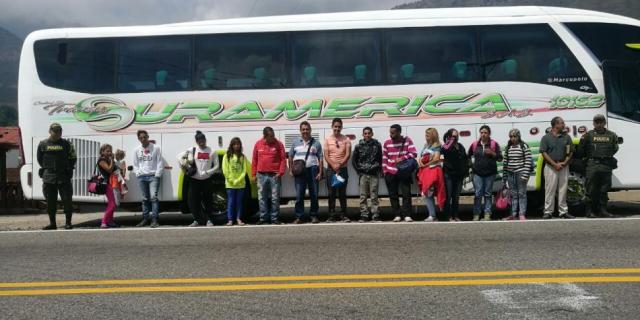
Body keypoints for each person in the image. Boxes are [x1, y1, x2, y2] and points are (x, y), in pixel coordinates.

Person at [37, 123, 77, 230]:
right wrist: (47, 168)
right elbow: (40, 159)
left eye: (60, 131)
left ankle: (68, 223)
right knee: (50, 202)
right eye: (55, 131)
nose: (58, 133)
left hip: (63, 176)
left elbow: (73, 157)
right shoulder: (43, 144)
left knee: (67, 200)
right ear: (50, 131)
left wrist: (69, 167)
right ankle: (52, 224)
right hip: (49, 176)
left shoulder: (67, 144)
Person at [578, 114, 619, 218]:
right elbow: (581, 150)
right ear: (593, 123)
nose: (599, 124)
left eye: (601, 122)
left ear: (604, 123)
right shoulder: (588, 135)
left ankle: (603, 210)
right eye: (597, 122)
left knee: (604, 189)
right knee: (590, 189)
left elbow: (615, 148)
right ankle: (589, 211)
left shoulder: (612, 135)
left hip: (606, 165)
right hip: (593, 165)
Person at [177, 131, 219, 227]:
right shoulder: (192, 150)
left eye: (203, 140)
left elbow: (217, 166)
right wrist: (185, 167)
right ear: (196, 141)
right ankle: (196, 220)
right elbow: (179, 157)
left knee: (208, 201)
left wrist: (208, 172)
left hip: (207, 180)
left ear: (205, 140)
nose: (201, 142)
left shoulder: (212, 151)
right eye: (199, 140)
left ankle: (209, 220)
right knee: (193, 201)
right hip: (194, 180)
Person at [540, 116, 575, 219]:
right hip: (551, 167)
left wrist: (564, 163)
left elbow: (570, 152)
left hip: (563, 166)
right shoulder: (546, 137)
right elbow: (544, 152)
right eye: (562, 123)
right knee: (550, 189)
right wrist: (554, 164)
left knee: (563, 189)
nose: (564, 125)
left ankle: (563, 212)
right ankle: (548, 211)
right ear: (555, 125)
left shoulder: (566, 137)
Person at [289, 121, 324, 224]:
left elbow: (321, 158)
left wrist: (320, 172)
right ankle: (299, 217)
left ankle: (314, 216)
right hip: (300, 172)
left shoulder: (316, 143)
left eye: (307, 129)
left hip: (313, 170)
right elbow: (290, 156)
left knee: (314, 194)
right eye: (303, 129)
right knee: (299, 195)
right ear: (300, 130)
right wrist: (290, 170)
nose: (305, 131)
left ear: (310, 130)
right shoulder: (295, 142)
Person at [382, 124, 417, 222]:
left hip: (403, 171)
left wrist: (402, 158)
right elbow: (384, 157)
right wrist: (385, 171)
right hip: (390, 171)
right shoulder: (387, 143)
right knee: (393, 194)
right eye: (390, 132)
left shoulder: (407, 140)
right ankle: (397, 214)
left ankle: (407, 215)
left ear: (399, 132)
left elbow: (414, 153)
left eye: (393, 133)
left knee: (406, 194)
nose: (391, 134)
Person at [252, 127, 287, 225]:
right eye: (271, 136)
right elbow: (254, 159)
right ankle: (263, 218)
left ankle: (274, 218)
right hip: (261, 175)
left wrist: (281, 172)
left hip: (274, 175)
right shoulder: (258, 144)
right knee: (261, 198)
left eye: (273, 135)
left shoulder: (278, 144)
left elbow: (283, 159)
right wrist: (254, 174)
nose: (273, 138)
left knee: (275, 198)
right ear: (265, 136)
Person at [468, 125, 502, 221]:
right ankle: (476, 214)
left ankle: (487, 213)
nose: (483, 134)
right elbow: (468, 156)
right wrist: (471, 166)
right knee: (478, 194)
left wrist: (492, 153)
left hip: (490, 173)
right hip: (477, 173)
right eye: (482, 132)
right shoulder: (475, 144)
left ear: (489, 134)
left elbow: (500, 158)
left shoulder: (494, 144)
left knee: (488, 194)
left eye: (485, 132)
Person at [133, 130, 164, 228]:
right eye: (141, 138)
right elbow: (135, 163)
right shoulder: (136, 150)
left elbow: (159, 161)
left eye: (144, 137)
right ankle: (145, 219)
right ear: (138, 139)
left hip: (153, 176)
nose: (143, 139)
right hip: (142, 177)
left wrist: (157, 174)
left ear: (148, 137)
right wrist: (138, 173)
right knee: (145, 199)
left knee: (153, 198)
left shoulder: (156, 147)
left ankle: (154, 220)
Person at [323, 118, 352, 222]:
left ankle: (343, 215)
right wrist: (333, 165)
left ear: (342, 127)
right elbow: (326, 156)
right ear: (332, 127)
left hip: (342, 170)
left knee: (342, 193)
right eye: (335, 126)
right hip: (331, 170)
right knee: (331, 194)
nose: (337, 128)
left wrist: (339, 165)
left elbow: (348, 154)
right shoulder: (327, 140)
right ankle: (331, 215)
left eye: (339, 126)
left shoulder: (346, 139)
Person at [352, 127, 382, 222]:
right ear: (363, 135)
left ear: (372, 134)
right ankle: (364, 215)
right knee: (363, 196)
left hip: (374, 174)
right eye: (365, 133)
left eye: (369, 133)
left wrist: (379, 169)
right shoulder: (358, 146)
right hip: (363, 174)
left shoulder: (377, 145)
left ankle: (375, 215)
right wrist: (359, 171)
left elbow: (380, 158)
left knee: (374, 196)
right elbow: (354, 161)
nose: (367, 135)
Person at [502, 128, 533, 221]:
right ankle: (513, 214)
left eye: (515, 136)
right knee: (513, 194)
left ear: (518, 136)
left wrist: (525, 175)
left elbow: (528, 160)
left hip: (520, 173)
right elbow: (505, 163)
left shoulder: (523, 146)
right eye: (511, 136)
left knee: (522, 193)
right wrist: (504, 177)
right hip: (510, 173)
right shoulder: (508, 147)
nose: (513, 138)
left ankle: (522, 214)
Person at [417, 128, 446, 222]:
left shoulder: (437, 146)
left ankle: (433, 215)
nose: (426, 137)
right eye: (426, 135)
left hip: (433, 171)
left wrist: (425, 164)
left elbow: (436, 158)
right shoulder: (426, 145)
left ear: (433, 135)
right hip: (425, 171)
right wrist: (420, 162)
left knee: (428, 193)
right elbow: (422, 157)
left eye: (428, 135)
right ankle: (432, 214)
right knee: (427, 193)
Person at [222, 137, 251, 226]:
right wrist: (231, 180)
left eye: (238, 144)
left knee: (239, 202)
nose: (236, 146)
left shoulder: (242, 156)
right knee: (231, 202)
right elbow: (225, 169)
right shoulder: (227, 156)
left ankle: (238, 219)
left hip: (240, 184)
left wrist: (239, 180)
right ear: (232, 145)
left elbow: (244, 170)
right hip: (230, 184)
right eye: (234, 144)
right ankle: (230, 219)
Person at [441, 129, 468, 222]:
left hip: (459, 175)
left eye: (456, 136)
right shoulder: (446, 146)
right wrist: (450, 141)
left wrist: (465, 172)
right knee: (448, 196)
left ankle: (455, 215)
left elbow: (465, 159)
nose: (455, 138)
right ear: (449, 136)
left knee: (456, 197)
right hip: (448, 174)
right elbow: (443, 151)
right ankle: (448, 216)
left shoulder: (460, 146)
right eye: (453, 136)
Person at [97, 144, 119, 228]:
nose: (110, 152)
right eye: (107, 151)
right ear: (102, 152)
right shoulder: (101, 160)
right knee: (112, 204)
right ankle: (104, 221)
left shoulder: (107, 159)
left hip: (111, 183)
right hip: (107, 184)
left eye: (110, 150)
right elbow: (109, 170)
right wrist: (112, 160)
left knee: (113, 203)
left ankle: (110, 221)